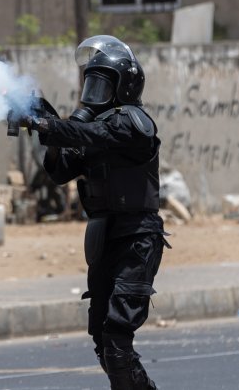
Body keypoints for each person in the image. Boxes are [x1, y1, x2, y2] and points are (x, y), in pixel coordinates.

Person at [12, 35, 167, 390]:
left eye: (102, 84)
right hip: (106, 237)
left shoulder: (131, 123)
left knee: (116, 336)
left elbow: (90, 133)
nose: (93, 92)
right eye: (90, 82)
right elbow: (60, 170)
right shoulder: (96, 133)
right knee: (101, 336)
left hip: (136, 238)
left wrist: (47, 125)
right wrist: (44, 122)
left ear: (125, 85)